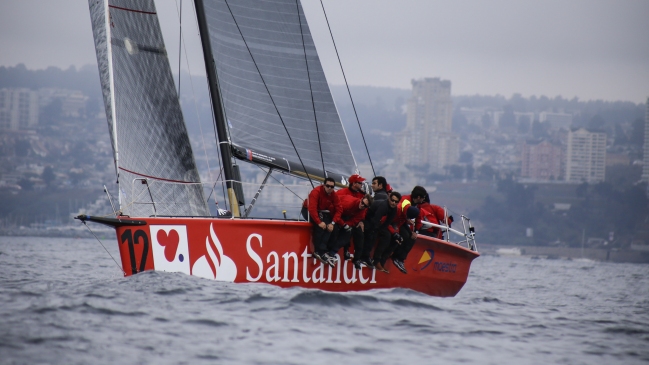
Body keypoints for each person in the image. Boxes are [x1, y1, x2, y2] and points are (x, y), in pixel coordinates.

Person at [301, 177, 341, 266]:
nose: (330, 188)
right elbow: (312, 209)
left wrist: (333, 223)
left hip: (321, 212)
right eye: (328, 186)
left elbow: (339, 209)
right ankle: (318, 251)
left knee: (331, 228)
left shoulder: (333, 195)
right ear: (324, 185)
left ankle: (325, 250)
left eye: (332, 187)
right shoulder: (316, 192)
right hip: (307, 210)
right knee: (320, 227)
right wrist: (319, 222)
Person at [387, 186, 427, 274]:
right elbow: (404, 208)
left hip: (402, 221)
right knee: (404, 235)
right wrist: (407, 216)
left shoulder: (417, 205)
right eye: (423, 198)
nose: (424, 200)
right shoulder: (406, 200)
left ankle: (400, 259)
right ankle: (393, 255)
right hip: (395, 220)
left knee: (412, 237)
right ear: (419, 197)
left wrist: (416, 231)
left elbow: (418, 218)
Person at [328, 194, 373, 267]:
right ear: (361, 199)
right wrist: (342, 224)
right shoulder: (349, 203)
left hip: (344, 218)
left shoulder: (362, 213)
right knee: (335, 229)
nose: (362, 206)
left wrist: (345, 225)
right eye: (362, 203)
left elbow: (353, 221)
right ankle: (326, 250)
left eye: (365, 206)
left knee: (348, 233)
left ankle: (332, 252)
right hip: (333, 211)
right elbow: (335, 211)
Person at [362, 191, 401, 272]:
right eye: (392, 200)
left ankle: (378, 260)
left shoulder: (394, 209)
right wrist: (377, 230)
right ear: (389, 198)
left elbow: (388, 222)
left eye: (396, 202)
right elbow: (375, 220)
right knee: (372, 234)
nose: (393, 203)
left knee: (388, 236)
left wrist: (381, 229)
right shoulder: (383, 206)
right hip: (366, 218)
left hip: (376, 222)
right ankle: (365, 256)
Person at [335, 174, 366, 260]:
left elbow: (365, 209)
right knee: (346, 230)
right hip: (341, 216)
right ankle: (345, 250)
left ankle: (358, 258)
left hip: (355, 219)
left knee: (359, 233)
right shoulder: (342, 192)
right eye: (360, 183)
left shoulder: (361, 195)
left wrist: (361, 220)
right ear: (354, 183)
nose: (361, 185)